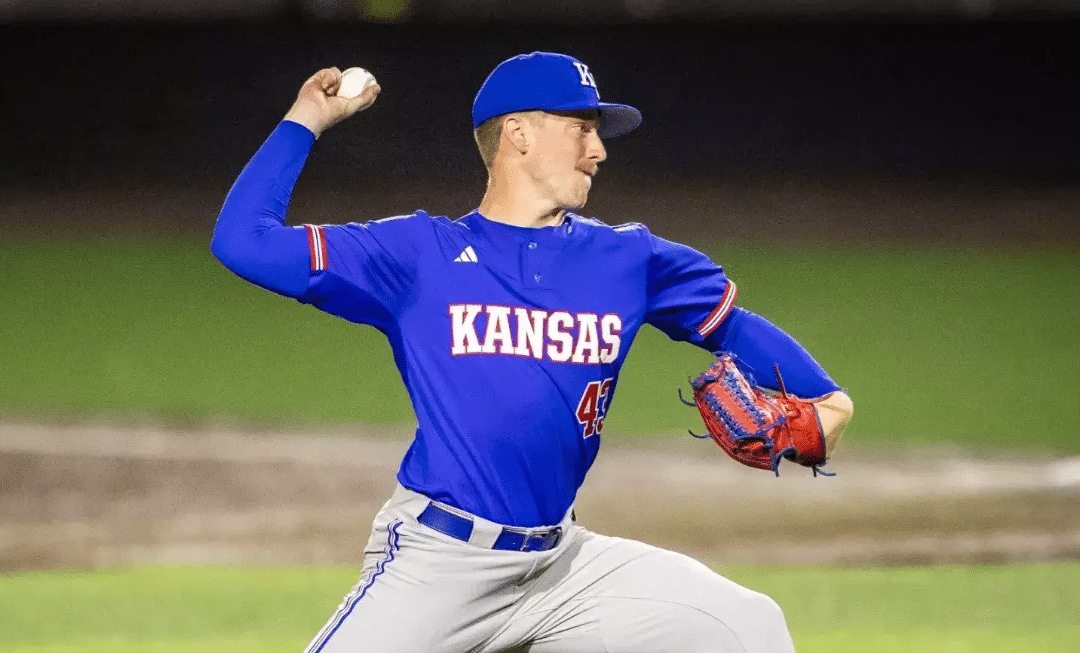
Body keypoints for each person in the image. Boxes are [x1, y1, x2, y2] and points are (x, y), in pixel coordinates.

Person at [211, 51, 852, 653]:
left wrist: (828, 400)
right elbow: (243, 242)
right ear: (518, 133)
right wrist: (307, 119)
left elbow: (732, 325)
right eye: (581, 128)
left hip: (561, 568)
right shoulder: (416, 255)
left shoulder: (629, 258)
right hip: (440, 566)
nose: (599, 150)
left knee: (747, 627)